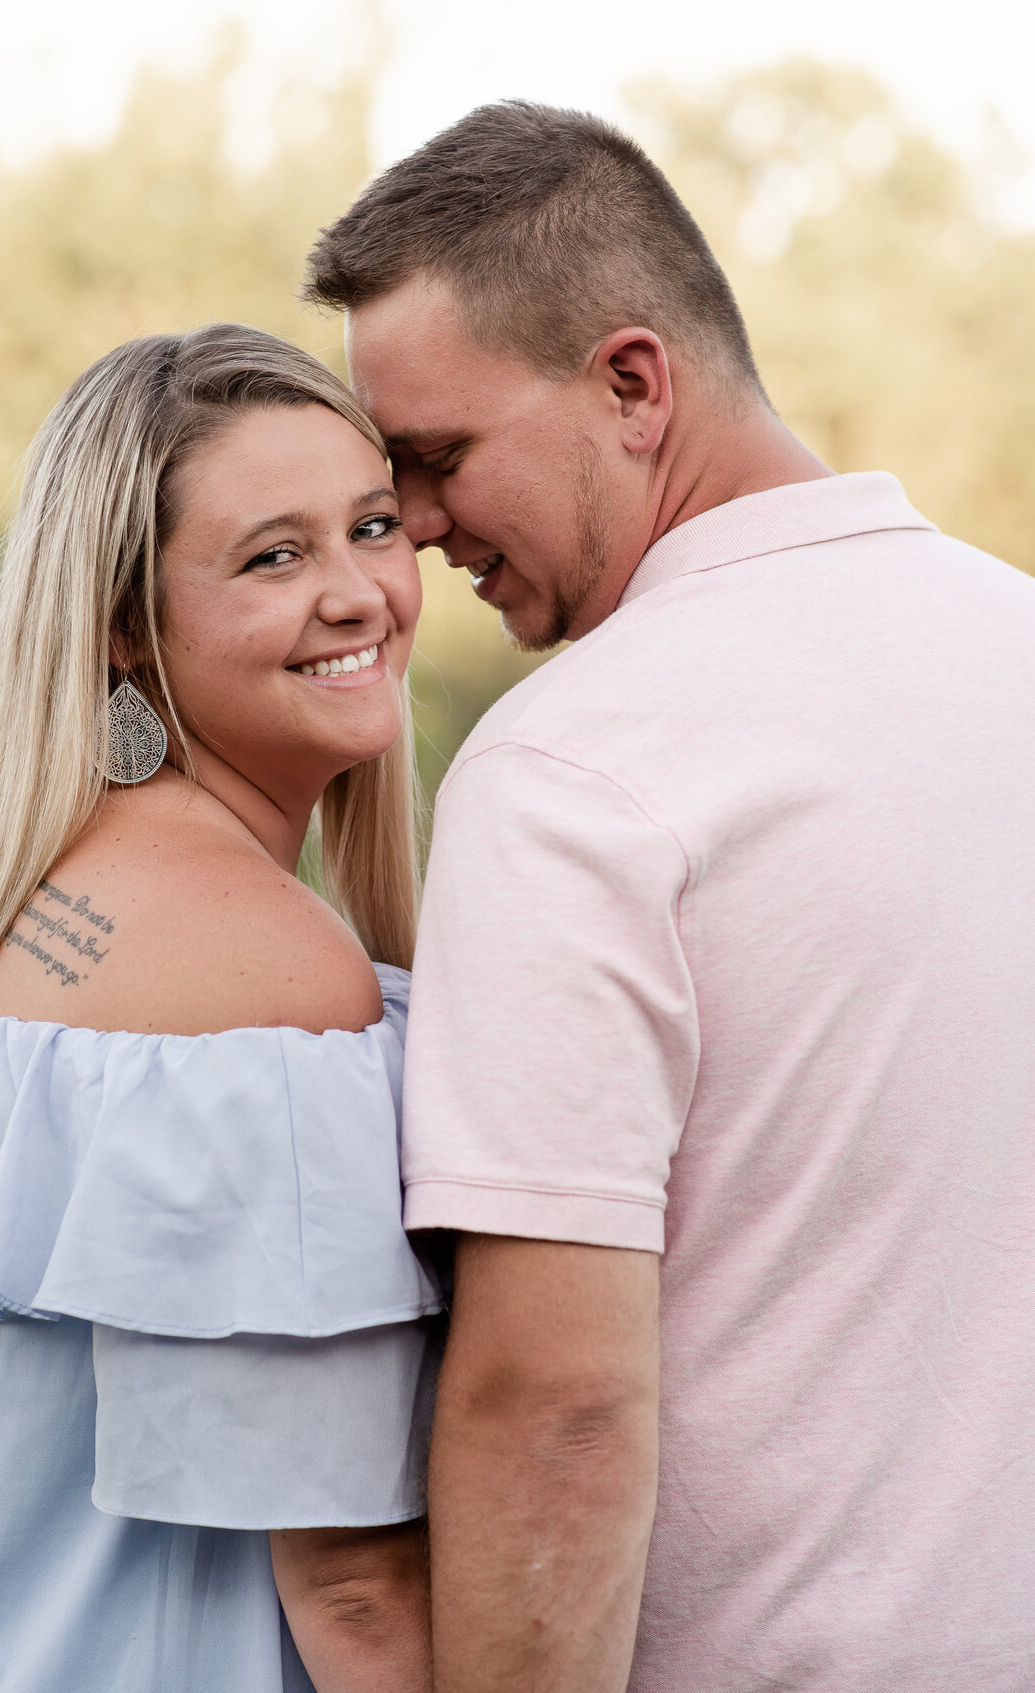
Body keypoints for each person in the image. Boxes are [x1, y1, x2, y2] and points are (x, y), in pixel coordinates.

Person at [302, 101, 1035, 1692]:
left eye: (439, 459)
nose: (413, 533)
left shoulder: (574, 765)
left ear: (634, 385)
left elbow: (552, 1405)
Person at [0, 323, 442, 1693]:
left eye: (373, 525)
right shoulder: (261, 985)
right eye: (274, 555)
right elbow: (351, 1585)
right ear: (124, 623)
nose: (358, 593)